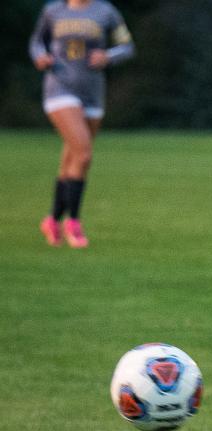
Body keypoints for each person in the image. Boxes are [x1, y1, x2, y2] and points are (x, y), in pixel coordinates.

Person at [29, 0, 135, 248]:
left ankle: (52, 220)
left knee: (73, 158)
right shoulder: (53, 11)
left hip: (92, 92)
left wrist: (107, 56)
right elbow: (36, 42)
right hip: (59, 88)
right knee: (84, 153)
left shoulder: (106, 11)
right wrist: (40, 57)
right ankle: (73, 222)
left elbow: (127, 46)